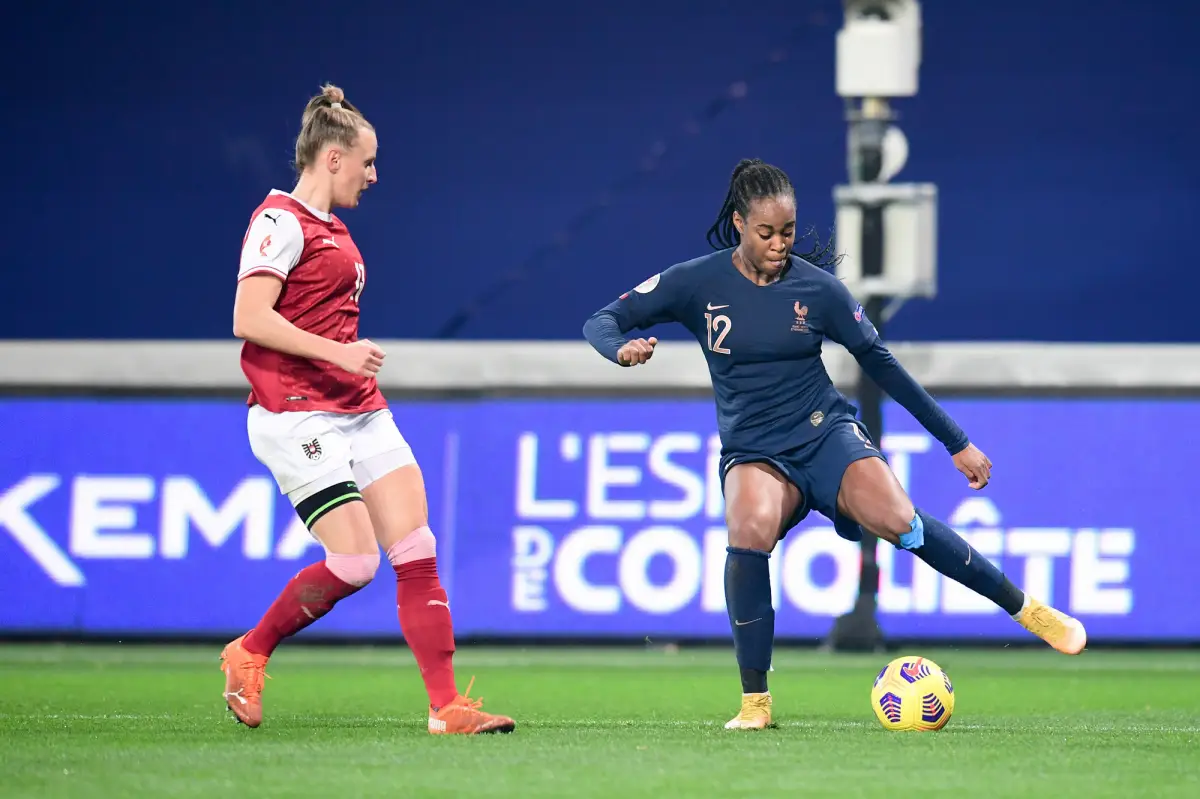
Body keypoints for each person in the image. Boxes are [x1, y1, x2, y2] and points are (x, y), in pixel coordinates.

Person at [582, 158, 1086, 731]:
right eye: (766, 232)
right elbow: (601, 321)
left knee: (901, 521)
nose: (779, 244)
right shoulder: (695, 282)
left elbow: (884, 366)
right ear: (740, 223)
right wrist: (621, 350)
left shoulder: (818, 291)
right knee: (747, 531)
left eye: (788, 231)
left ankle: (1028, 611)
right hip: (754, 451)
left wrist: (957, 442)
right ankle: (755, 703)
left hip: (825, 434)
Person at [224, 83, 514, 735]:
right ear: (333, 158)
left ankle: (446, 707)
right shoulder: (278, 222)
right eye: (368, 161)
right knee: (355, 564)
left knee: (417, 546)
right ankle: (250, 650)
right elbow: (248, 317)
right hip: (294, 411)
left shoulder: (335, 229)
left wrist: (344, 360)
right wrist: (339, 352)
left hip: (357, 407)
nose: (374, 175)